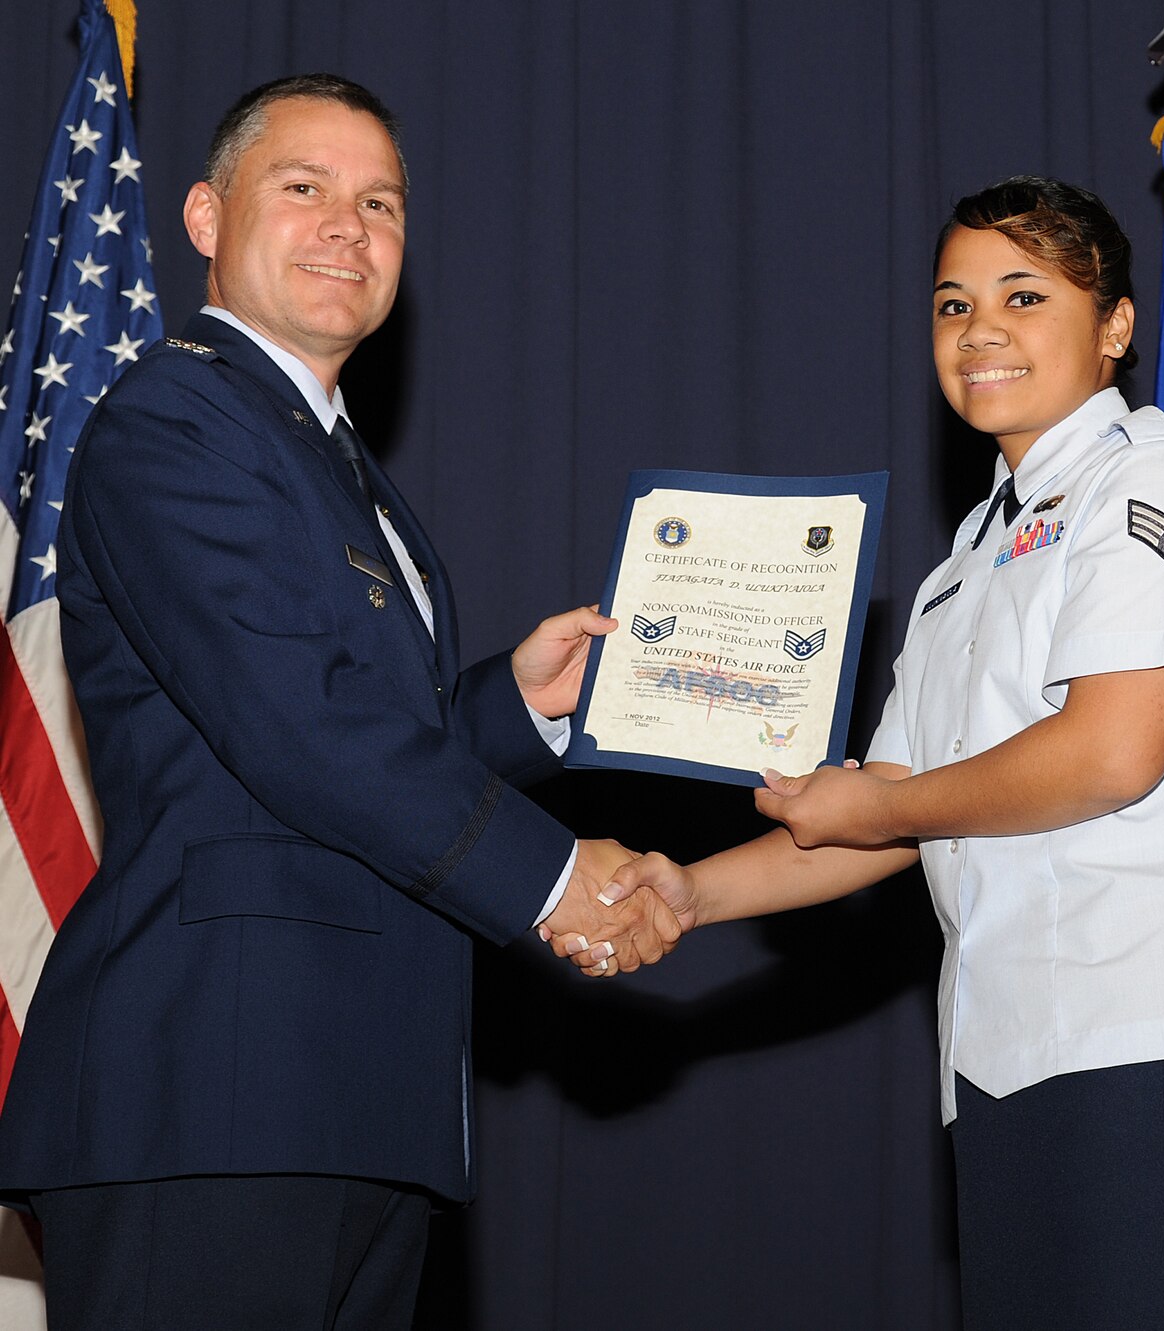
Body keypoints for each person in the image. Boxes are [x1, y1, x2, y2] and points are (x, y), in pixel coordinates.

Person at [0, 74, 673, 1327]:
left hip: (359, 1095)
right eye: (302, 188)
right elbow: (296, 727)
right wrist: (554, 879)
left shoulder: (332, 458)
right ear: (205, 216)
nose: (347, 227)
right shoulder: (171, 418)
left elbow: (336, 729)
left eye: (380, 202)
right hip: (213, 1095)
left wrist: (511, 708)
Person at [605, 176, 1164, 1328]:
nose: (979, 328)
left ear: (1115, 327)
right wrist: (686, 890)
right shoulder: (960, 566)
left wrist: (875, 810)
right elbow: (887, 799)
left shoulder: (1152, 483)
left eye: (1022, 295)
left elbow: (1109, 751)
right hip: (1005, 1063)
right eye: (951, 304)